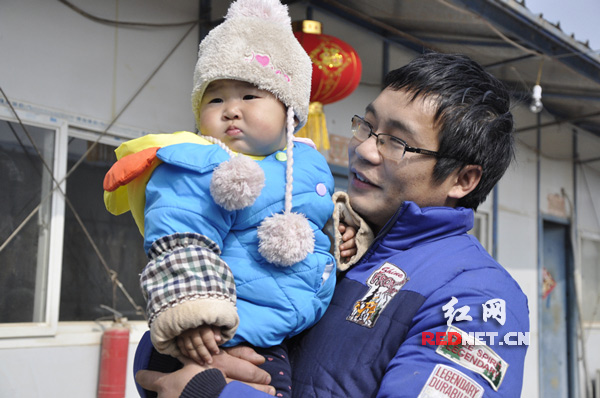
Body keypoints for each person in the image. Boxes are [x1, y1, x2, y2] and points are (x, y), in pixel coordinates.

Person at [135, 51, 531, 398]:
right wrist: (176, 350)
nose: (363, 149)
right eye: (368, 127)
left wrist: (209, 392)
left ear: (463, 179)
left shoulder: (478, 301)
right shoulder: (333, 243)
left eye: (396, 142)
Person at [103, 0, 356, 396]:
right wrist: (195, 317)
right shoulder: (198, 165)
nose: (231, 111)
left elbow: (324, 224)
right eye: (215, 99)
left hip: (279, 327)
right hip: (219, 334)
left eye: (250, 97)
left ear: (289, 109)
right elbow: (182, 243)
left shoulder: (306, 162)